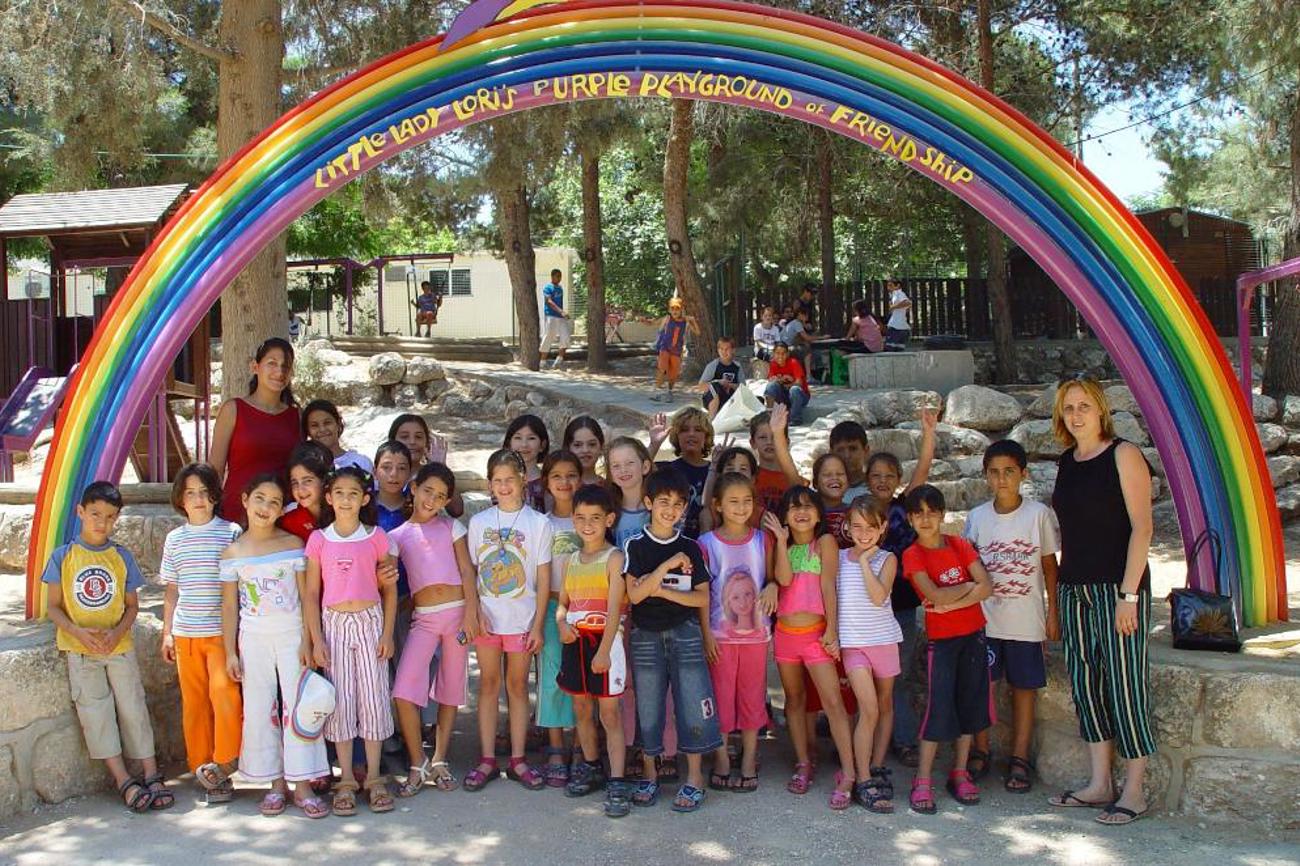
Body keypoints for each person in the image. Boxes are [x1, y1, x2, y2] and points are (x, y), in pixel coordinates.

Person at [1047, 378, 1156, 826]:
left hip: (1118, 590)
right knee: (1087, 686)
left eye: (1084, 406)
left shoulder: (1124, 454)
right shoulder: (1067, 462)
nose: (1076, 415)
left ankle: (1134, 789)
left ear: (1101, 410)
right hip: (1075, 589)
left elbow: (1143, 529)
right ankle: (1099, 784)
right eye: (1069, 407)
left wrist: (1128, 596)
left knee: (1125, 687)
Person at [42, 481, 173, 813]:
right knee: (95, 713)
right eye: (95, 514)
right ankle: (123, 780)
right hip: (81, 650)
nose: (101, 522)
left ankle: (150, 772)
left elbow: (132, 606)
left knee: (133, 708)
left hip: (119, 647)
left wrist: (117, 633)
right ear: (80, 512)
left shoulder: (120, 557)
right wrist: (77, 632)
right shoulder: (63, 557)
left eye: (110, 517)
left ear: (117, 519)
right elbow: (53, 607)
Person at [219, 474, 331, 818]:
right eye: (259, 499)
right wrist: (230, 652)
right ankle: (274, 783)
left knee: (298, 708)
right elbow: (229, 607)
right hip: (252, 639)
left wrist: (309, 640)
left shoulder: (294, 544)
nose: (265, 507)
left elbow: (306, 595)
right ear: (244, 500)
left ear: (282, 509)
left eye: (273, 502)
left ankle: (303, 785)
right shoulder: (233, 552)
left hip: (292, 636)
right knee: (259, 708)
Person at [622, 469, 722, 813]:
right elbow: (634, 597)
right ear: (648, 503)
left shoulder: (691, 548)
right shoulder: (634, 545)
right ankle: (649, 775)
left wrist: (660, 588)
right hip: (645, 636)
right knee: (649, 707)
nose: (670, 510)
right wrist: (665, 567)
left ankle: (694, 779)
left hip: (686, 634)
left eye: (678, 505)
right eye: (663, 502)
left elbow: (702, 599)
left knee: (692, 702)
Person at [963, 439, 1060, 793]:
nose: (1001, 479)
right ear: (985, 476)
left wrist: (1053, 614)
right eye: (994, 473)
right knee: (983, 686)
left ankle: (1019, 758)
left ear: (1023, 474)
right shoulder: (977, 518)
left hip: (1026, 620)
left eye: (1009, 472)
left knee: (1024, 690)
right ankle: (981, 749)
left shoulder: (1038, 515)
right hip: (986, 621)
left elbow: (1050, 566)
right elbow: (968, 567)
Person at [303, 466, 399, 816]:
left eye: (353, 493)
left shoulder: (376, 537)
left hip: (370, 622)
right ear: (329, 497)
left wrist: (387, 633)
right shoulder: (319, 540)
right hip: (334, 624)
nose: (346, 500)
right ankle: (345, 779)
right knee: (341, 701)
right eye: (339, 493)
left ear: (365, 498)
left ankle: (373, 777)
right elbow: (312, 593)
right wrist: (316, 639)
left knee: (373, 698)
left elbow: (389, 591)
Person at [388, 462, 480, 798]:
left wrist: (472, 614)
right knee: (403, 690)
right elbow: (388, 584)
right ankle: (418, 762)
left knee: (450, 689)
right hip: (424, 618)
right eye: (428, 491)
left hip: (456, 616)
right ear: (413, 488)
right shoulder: (395, 537)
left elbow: (468, 573)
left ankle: (440, 760)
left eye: (440, 496)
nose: (432, 500)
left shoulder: (452, 527)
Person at [464, 449, 554, 792]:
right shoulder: (479, 522)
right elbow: (472, 572)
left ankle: (518, 759)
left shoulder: (538, 524)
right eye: (497, 480)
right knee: (488, 685)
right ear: (490, 484)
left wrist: (536, 624)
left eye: (510, 480)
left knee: (517, 687)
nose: (504, 486)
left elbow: (544, 578)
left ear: (523, 481)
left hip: (522, 620)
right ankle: (487, 758)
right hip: (487, 620)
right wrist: (474, 613)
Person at [901, 484, 993, 815]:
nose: (926, 519)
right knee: (938, 707)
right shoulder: (913, 555)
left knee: (969, 704)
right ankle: (923, 779)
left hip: (974, 636)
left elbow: (987, 586)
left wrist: (958, 594)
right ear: (910, 519)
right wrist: (968, 588)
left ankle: (959, 770)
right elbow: (934, 596)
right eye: (918, 513)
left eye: (932, 512)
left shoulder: (959, 544)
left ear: (941, 514)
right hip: (942, 643)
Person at [764, 486, 856, 810]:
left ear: (818, 514)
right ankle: (804, 762)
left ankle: (849, 773)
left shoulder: (825, 543)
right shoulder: (781, 546)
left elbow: (829, 586)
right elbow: (784, 581)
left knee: (833, 702)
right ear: (785, 515)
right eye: (793, 508)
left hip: (816, 633)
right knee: (795, 699)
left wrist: (832, 630)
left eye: (807, 507)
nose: (801, 513)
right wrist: (780, 540)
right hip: (786, 635)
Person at [159, 463, 243, 805]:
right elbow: (171, 591)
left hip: (220, 635)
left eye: (204, 492)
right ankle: (201, 767)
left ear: (215, 496)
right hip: (185, 634)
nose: (198, 499)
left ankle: (224, 764)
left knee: (224, 698)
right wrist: (166, 633)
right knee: (194, 705)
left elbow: (238, 588)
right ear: (180, 498)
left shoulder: (231, 532)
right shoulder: (174, 539)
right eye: (190, 492)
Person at [862, 408, 938, 769]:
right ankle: (866, 735)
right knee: (862, 676)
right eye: (875, 475)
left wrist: (928, 433)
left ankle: (904, 739)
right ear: (866, 478)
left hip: (902, 604)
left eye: (888, 476)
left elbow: (923, 470)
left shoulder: (901, 507)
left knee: (901, 675)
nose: (881, 481)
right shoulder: (857, 514)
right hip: (864, 605)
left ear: (897, 480)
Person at [554, 484, 631, 816]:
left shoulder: (614, 558)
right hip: (575, 643)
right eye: (581, 518)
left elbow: (615, 609)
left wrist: (603, 650)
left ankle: (617, 779)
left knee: (609, 714)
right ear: (573, 519)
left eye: (596, 518)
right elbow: (563, 603)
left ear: (609, 519)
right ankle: (590, 764)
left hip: (605, 643)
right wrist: (560, 623)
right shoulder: (572, 559)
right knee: (582, 710)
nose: (588, 524)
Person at [698, 473, 773, 793]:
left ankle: (749, 757)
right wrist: (706, 633)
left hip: (756, 636)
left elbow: (773, 577)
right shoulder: (706, 544)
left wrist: (773, 586)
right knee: (721, 699)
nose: (741, 507)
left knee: (753, 698)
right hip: (720, 637)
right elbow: (703, 593)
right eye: (733, 501)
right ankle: (722, 759)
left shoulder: (762, 539)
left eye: (747, 501)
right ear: (717, 505)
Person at [838, 497, 902, 813]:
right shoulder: (837, 559)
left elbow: (879, 597)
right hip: (854, 646)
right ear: (847, 527)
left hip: (884, 641)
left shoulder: (888, 559)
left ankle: (876, 766)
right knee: (869, 708)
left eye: (871, 527)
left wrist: (865, 561)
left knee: (885, 705)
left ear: (882, 528)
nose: (864, 534)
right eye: (857, 526)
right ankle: (863, 778)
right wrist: (861, 559)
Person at [209, 337, 301, 525]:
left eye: (286, 366)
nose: (279, 371)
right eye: (272, 363)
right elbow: (214, 470)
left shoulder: (296, 416)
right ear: (255, 366)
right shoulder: (233, 409)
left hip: (282, 516)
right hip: (236, 515)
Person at [540, 451, 583, 786]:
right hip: (552, 608)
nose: (564, 482)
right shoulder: (542, 523)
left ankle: (582, 746)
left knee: (585, 680)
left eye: (571, 475)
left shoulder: (589, 517)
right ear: (546, 482)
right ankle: (556, 746)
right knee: (552, 678)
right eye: (557, 476)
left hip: (587, 609)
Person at [659, 407, 714, 539]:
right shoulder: (668, 469)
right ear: (676, 436)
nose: (691, 434)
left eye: (698, 430)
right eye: (684, 430)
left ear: (706, 436)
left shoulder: (716, 470)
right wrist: (655, 443)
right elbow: (640, 470)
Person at [280, 442, 333, 542]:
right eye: (295, 482)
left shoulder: (342, 511)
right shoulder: (288, 520)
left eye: (308, 480)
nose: (300, 489)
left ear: (324, 480)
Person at [303, 399, 374, 473]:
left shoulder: (361, 463)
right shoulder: (304, 467)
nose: (322, 429)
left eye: (327, 423)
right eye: (314, 425)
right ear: (308, 430)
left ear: (338, 423)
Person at [653, 297, 699, 402]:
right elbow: (653, 323)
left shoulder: (685, 321)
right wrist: (644, 320)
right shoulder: (667, 319)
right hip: (665, 348)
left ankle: (669, 391)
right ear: (669, 310)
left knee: (673, 374)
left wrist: (693, 321)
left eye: (677, 308)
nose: (674, 311)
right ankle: (657, 392)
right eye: (672, 308)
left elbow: (697, 332)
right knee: (662, 368)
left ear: (681, 309)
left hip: (677, 351)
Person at [696, 336, 746, 419]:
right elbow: (701, 386)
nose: (724, 352)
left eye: (727, 349)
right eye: (721, 349)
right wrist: (718, 382)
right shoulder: (713, 365)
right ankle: (712, 419)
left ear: (733, 350)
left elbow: (743, 388)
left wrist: (730, 385)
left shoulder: (737, 367)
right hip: (712, 398)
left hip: (729, 397)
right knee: (715, 387)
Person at [763, 342, 810, 425]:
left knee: (794, 389)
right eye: (777, 353)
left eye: (783, 353)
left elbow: (799, 383)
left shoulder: (793, 362)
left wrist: (790, 381)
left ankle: (795, 419)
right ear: (773, 354)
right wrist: (780, 380)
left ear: (787, 354)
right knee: (771, 386)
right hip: (784, 396)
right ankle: (769, 415)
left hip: (800, 396)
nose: (780, 356)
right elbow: (771, 381)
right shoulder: (773, 364)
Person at [540, 268, 572, 369]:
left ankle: (559, 360)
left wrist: (562, 313)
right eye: (557, 276)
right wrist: (561, 311)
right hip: (551, 315)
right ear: (552, 276)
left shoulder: (560, 288)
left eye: (560, 276)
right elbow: (549, 302)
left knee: (565, 335)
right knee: (549, 336)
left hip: (560, 316)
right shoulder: (547, 287)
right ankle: (542, 361)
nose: (559, 278)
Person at [561, 416, 607, 487]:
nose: (585, 450)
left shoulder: (610, 489)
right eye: (577, 445)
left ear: (601, 447)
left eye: (592, 444)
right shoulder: (559, 487)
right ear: (567, 448)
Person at [832, 421, 872, 501]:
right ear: (831, 453)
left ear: (866, 450)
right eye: (840, 450)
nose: (847, 456)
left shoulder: (877, 489)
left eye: (853, 448)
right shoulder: (823, 492)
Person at [884, 278, 911, 351]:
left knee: (889, 348)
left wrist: (893, 307)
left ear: (898, 285)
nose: (888, 288)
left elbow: (908, 303)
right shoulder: (894, 295)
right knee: (898, 350)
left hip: (896, 326)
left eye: (891, 285)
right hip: (898, 325)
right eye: (888, 286)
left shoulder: (899, 293)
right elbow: (908, 305)